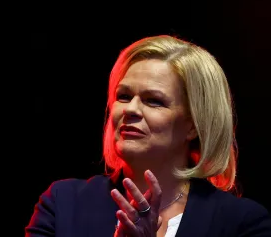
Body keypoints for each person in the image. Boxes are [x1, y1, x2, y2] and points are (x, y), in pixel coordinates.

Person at [25, 35, 271, 237]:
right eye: (123, 96)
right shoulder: (63, 202)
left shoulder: (243, 223)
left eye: (154, 101)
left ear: (194, 125)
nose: (130, 109)